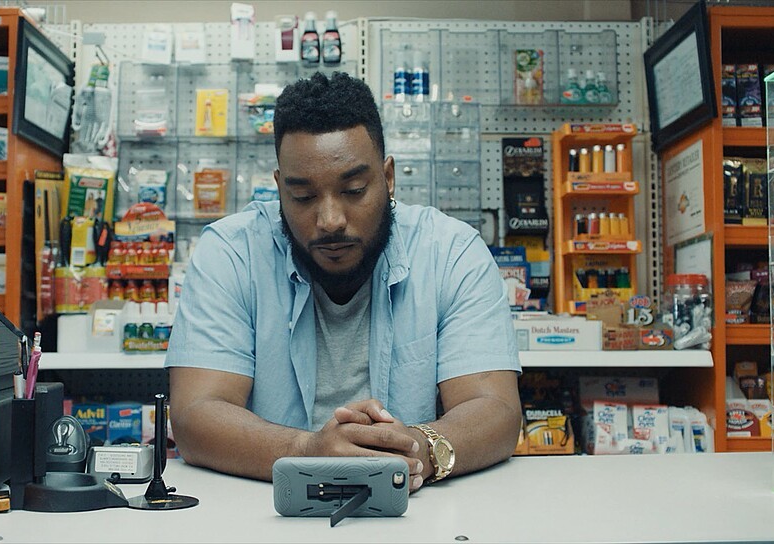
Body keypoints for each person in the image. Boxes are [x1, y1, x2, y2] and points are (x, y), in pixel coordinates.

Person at [165, 72, 521, 492]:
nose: (330, 220)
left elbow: (495, 407)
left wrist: (420, 449)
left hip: (418, 516)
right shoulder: (231, 252)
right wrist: (308, 452)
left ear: (388, 178)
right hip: (260, 517)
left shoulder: (452, 251)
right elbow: (195, 414)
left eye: (353, 190)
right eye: (303, 197)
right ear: (279, 189)